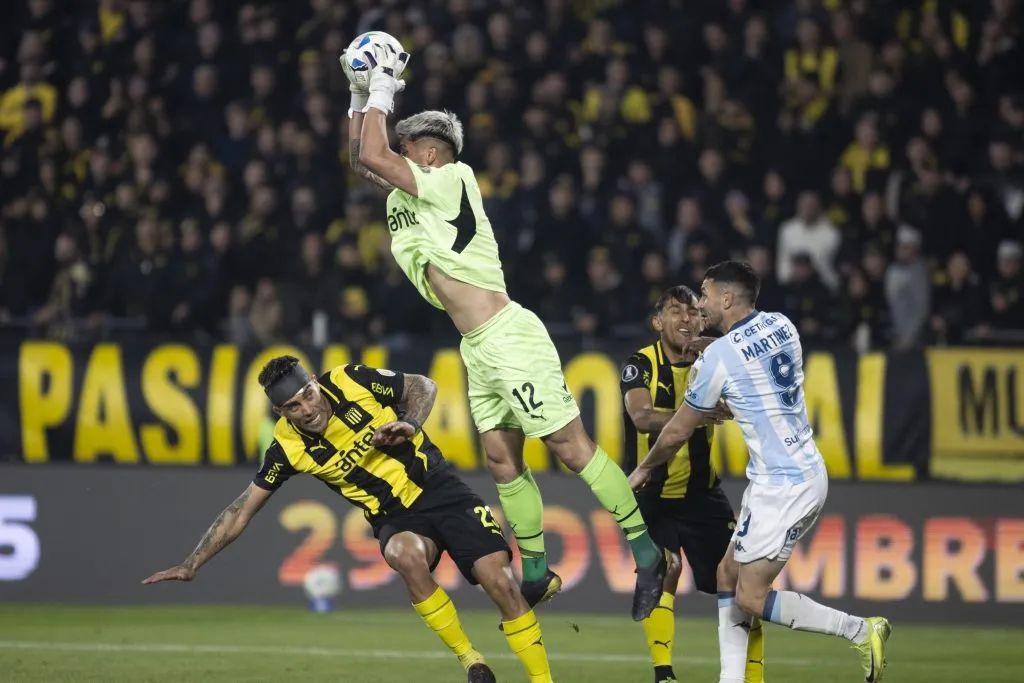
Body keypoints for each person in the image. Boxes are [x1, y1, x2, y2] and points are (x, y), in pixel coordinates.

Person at [341, 41, 666, 620]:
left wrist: (384, 83)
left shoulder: (450, 179)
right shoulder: (408, 189)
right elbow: (360, 157)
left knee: (570, 448)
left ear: (431, 153)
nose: (396, 152)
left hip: (509, 333)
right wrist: (359, 92)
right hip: (477, 346)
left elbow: (373, 149)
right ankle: (537, 570)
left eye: (406, 146)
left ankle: (647, 553)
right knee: (499, 457)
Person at [142, 356, 554, 683]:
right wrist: (192, 563)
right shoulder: (287, 447)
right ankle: (471, 662)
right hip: (396, 517)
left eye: (308, 394)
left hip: (441, 490)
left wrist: (409, 424)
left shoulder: (351, 380)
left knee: (501, 585)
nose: (306, 409)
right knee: (403, 554)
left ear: (316, 383)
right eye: (293, 406)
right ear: (280, 412)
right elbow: (240, 511)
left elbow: (423, 385)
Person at [628, 261, 892, 683]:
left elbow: (678, 431)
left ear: (727, 299)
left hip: (784, 486)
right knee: (726, 575)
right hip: (796, 469)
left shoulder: (719, 360)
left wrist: (643, 469)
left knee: (751, 597)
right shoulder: (782, 325)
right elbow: (744, 353)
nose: (700, 302)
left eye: (706, 294)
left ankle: (861, 630)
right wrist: (709, 348)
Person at [620, 285, 765, 683]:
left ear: (702, 320)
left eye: (691, 312)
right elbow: (641, 417)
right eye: (674, 311)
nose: (685, 319)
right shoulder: (640, 364)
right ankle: (663, 673)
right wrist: (696, 415)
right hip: (652, 492)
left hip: (702, 494)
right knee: (668, 566)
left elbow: (744, 401)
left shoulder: (717, 356)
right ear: (657, 322)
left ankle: (753, 676)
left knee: (740, 582)